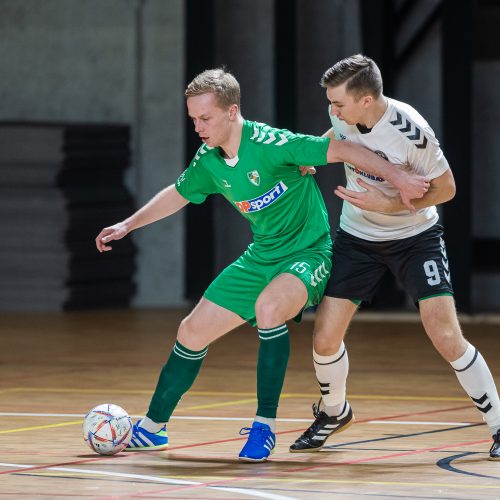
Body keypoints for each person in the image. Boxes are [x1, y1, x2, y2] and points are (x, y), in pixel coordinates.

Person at [95, 68, 429, 462]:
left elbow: (343, 149)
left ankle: (263, 427)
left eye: (206, 118)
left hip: (310, 254)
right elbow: (179, 194)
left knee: (268, 309)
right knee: (191, 331)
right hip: (262, 256)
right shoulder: (210, 160)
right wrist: (128, 224)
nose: (198, 127)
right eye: (193, 120)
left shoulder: (272, 144)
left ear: (232, 111)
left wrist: (399, 178)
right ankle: (152, 429)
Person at [289, 54, 500, 461]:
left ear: (366, 100)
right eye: (330, 104)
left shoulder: (411, 132)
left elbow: (447, 189)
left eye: (339, 104)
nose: (332, 111)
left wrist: (389, 207)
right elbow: (335, 137)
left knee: (445, 335)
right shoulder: (342, 115)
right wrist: (309, 157)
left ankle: (497, 424)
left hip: (414, 237)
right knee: (324, 336)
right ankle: (335, 412)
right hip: (357, 236)